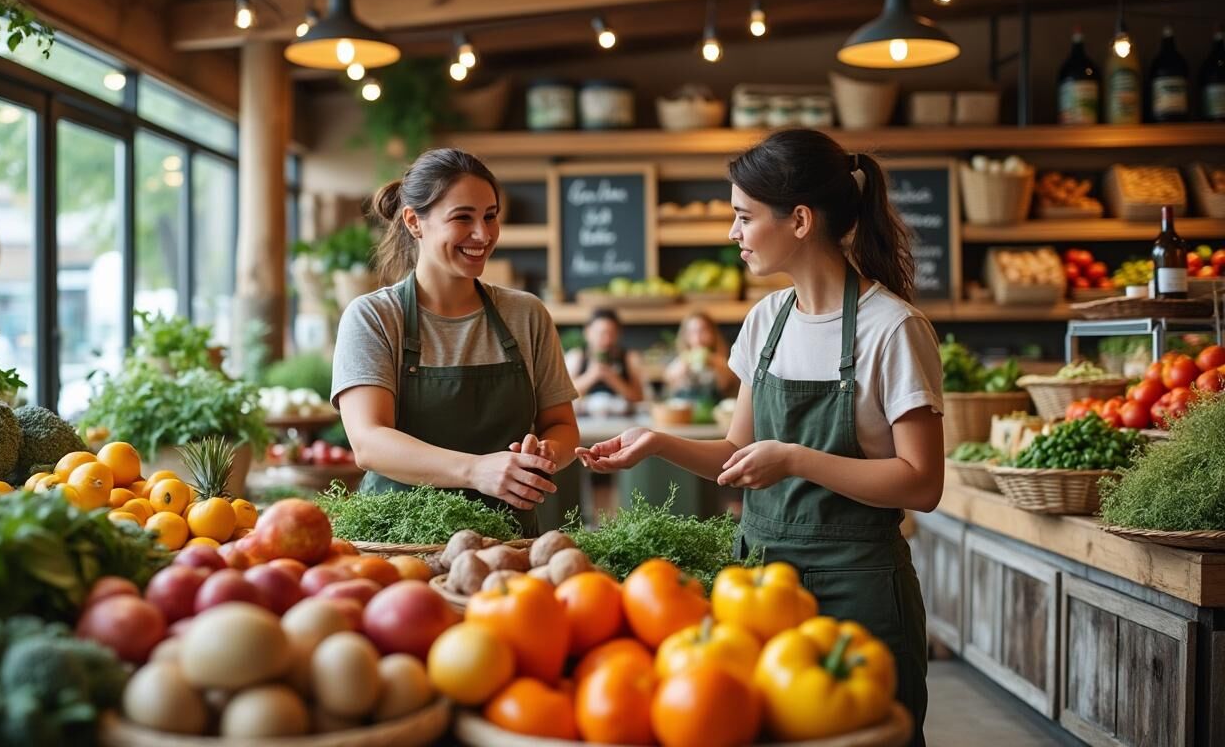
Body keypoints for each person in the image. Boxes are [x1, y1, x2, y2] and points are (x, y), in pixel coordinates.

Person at [577, 128, 943, 745]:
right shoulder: (764, 322)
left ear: (799, 220)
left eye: (743, 216)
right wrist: (657, 442)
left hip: (858, 587)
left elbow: (922, 483)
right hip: (759, 584)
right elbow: (734, 453)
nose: (733, 233)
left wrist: (799, 459)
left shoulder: (892, 329)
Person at [332, 148, 580, 536]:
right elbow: (368, 442)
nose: (482, 234)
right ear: (414, 221)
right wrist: (476, 471)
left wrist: (546, 454)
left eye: (490, 216)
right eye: (463, 217)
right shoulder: (374, 317)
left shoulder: (526, 315)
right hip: (396, 544)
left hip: (507, 542)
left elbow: (562, 426)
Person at [565, 308, 646, 404]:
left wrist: (614, 379)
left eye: (611, 334)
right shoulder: (576, 357)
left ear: (618, 334)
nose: (606, 340)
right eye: (600, 333)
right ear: (587, 332)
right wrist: (591, 376)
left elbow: (639, 397)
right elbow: (564, 397)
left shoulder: (630, 358)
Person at [663, 310, 738, 402]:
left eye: (702, 331)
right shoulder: (680, 360)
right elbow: (669, 380)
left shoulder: (722, 360)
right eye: (692, 332)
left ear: (712, 333)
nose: (697, 337)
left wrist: (712, 362)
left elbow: (726, 384)